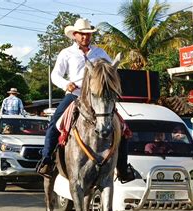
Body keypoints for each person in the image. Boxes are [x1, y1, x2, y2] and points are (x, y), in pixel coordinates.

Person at [36, 18, 134, 181]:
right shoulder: (66, 53)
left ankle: (122, 168)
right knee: (55, 124)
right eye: (82, 34)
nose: (85, 37)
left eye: (88, 34)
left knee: (122, 128)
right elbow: (55, 75)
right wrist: (66, 84)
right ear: (74, 35)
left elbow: (111, 71)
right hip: (75, 95)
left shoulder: (100, 53)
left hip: (97, 98)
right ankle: (47, 160)